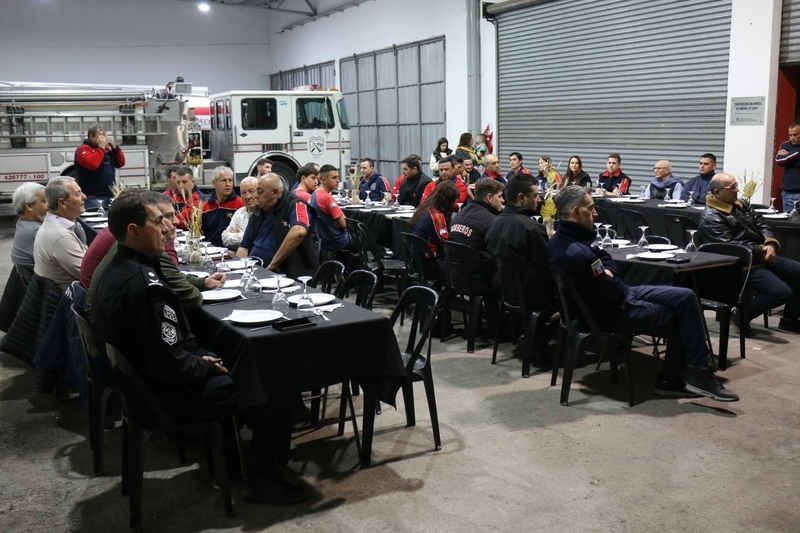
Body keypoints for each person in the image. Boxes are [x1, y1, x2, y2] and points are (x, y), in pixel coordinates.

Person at [91, 192, 306, 505]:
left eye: (168, 218)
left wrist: (198, 356)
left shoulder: (121, 267)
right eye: (158, 221)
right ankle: (261, 478)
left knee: (236, 358)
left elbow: (163, 349)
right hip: (161, 396)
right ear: (133, 231)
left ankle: (230, 460)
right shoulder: (142, 285)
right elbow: (169, 363)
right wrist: (204, 364)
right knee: (275, 381)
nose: (169, 227)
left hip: (139, 386)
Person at [549, 185, 739, 401]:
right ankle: (684, 377)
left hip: (616, 296)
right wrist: (612, 279)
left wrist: (608, 271)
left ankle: (695, 370)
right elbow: (612, 291)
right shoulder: (577, 252)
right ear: (575, 211)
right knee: (682, 314)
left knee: (685, 296)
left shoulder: (565, 239)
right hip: (609, 312)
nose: (595, 213)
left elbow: (604, 256)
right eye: (591, 208)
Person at [87, 191, 225, 312]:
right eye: (163, 218)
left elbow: (170, 277)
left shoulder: (129, 248)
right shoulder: (144, 261)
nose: (175, 222)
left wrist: (202, 282)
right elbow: (192, 298)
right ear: (135, 230)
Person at [698, 172, 800, 334]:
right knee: (782, 292)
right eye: (732, 188)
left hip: (761, 255)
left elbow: (763, 224)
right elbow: (731, 248)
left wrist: (770, 244)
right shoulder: (711, 217)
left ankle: (789, 319)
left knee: (798, 272)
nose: (737, 190)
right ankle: (740, 315)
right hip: (741, 265)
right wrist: (763, 250)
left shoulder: (742, 204)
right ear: (717, 193)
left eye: (736, 185)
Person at [485, 174, 553, 312]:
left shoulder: (493, 223)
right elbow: (546, 270)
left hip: (504, 293)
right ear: (521, 198)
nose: (538, 200)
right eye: (535, 196)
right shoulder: (532, 229)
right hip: (532, 298)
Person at [236, 174, 318, 277]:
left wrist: (273, 264)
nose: (256, 195)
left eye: (260, 191)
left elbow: (299, 231)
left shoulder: (295, 204)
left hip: (287, 274)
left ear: (274, 193)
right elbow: (244, 247)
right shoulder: (258, 212)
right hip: (256, 272)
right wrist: (241, 271)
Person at [33, 177, 87, 291]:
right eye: (78, 194)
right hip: (73, 302)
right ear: (62, 203)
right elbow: (91, 275)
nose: (84, 197)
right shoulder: (61, 236)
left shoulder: (52, 225)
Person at [450, 178, 504, 277]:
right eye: (499, 196)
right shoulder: (492, 221)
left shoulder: (458, 214)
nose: (502, 200)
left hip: (454, 275)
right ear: (489, 197)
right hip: (480, 279)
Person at [408, 181, 459, 280]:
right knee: (463, 269)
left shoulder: (425, 208)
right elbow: (446, 242)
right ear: (448, 200)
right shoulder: (437, 216)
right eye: (454, 201)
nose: (455, 204)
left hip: (417, 260)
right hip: (429, 264)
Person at [74, 124, 125, 209]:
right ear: (91, 137)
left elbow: (120, 163)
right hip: (93, 197)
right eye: (100, 136)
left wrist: (115, 148)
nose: (103, 139)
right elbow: (93, 164)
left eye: (104, 135)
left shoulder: (106, 150)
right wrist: (101, 148)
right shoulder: (83, 150)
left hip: (110, 194)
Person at [310, 165, 350, 254]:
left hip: (324, 240)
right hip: (338, 240)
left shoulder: (315, 194)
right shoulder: (326, 197)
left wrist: (336, 220)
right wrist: (339, 221)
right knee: (369, 238)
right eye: (334, 178)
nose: (338, 180)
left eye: (338, 177)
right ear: (324, 180)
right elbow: (346, 224)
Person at [201, 166, 244, 247]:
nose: (228, 184)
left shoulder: (241, 204)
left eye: (230, 180)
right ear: (214, 183)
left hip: (231, 250)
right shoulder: (205, 207)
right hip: (209, 250)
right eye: (224, 180)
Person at [11, 183, 48, 276]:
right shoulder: (37, 232)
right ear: (29, 206)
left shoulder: (22, 223)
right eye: (44, 201)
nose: (49, 206)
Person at [221, 176, 258, 248]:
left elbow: (256, 240)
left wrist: (238, 236)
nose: (247, 196)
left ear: (259, 192)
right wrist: (244, 236)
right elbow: (225, 239)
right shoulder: (239, 212)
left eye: (251, 191)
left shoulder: (265, 213)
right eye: (244, 193)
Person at [169, 167, 205, 231]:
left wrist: (169, 219)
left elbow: (184, 220)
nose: (181, 186)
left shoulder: (198, 198)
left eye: (184, 182)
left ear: (192, 182)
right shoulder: (176, 197)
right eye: (178, 182)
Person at [775, 123, 800, 212]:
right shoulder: (785, 145)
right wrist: (797, 153)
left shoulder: (788, 149)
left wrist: (788, 156)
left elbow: (785, 159)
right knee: (788, 222)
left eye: (795, 135)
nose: (792, 138)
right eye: (790, 135)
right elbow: (779, 161)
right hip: (788, 192)